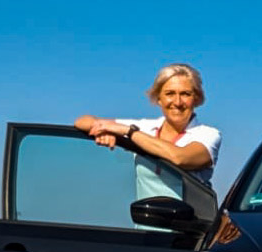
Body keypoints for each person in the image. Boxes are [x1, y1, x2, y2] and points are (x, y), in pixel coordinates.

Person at [75, 63, 221, 199]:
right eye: (170, 94)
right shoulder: (145, 127)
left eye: (185, 94)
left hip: (192, 219)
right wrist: (106, 131)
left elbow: (180, 158)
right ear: (159, 98)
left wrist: (129, 132)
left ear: (196, 98)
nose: (177, 102)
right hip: (145, 218)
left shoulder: (208, 134)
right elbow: (82, 121)